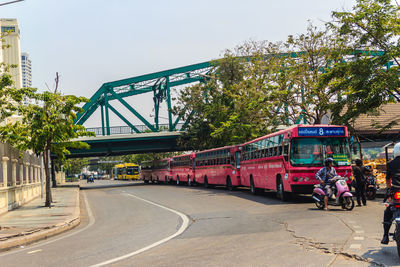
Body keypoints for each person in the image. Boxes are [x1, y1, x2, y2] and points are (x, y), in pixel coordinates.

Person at [381, 142, 400, 244]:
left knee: (388, 212)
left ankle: (385, 236)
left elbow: (388, 179)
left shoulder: (390, 163)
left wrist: (389, 189)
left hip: (396, 191)